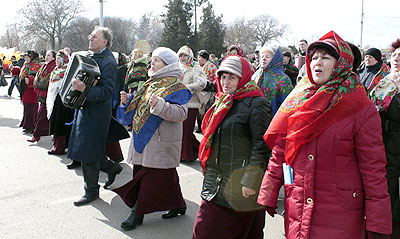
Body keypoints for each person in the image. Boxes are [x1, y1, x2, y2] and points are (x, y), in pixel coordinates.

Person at [257, 31, 392, 238]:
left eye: (325, 57)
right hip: (298, 204)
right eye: (314, 57)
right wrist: (268, 190)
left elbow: (373, 167)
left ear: (341, 64)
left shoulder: (360, 107)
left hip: (340, 213)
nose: (317, 62)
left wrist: (378, 220)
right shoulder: (299, 99)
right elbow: (280, 150)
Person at [192, 55, 272, 239]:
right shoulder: (222, 101)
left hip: (240, 185)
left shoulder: (257, 104)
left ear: (243, 78)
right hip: (216, 180)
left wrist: (251, 180)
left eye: (232, 77)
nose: (226, 82)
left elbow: (262, 146)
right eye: (223, 77)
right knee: (203, 230)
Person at [113, 47, 192, 230]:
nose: (152, 63)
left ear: (167, 64)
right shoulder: (151, 82)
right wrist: (128, 101)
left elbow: (181, 113)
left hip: (161, 140)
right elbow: (141, 103)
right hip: (146, 138)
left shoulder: (177, 86)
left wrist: (161, 105)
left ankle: (137, 212)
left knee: (150, 179)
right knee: (165, 176)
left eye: (156, 60)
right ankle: (178, 203)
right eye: (153, 60)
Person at [68, 26, 123, 206]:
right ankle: (112, 167)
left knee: (87, 151)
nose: (90, 38)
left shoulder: (108, 61)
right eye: (90, 35)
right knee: (85, 149)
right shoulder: (89, 57)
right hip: (84, 108)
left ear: (104, 42)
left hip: (97, 112)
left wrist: (86, 90)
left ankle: (91, 191)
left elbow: (108, 91)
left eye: (94, 36)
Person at [370, 38, 400, 239]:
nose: (397, 59)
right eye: (395, 55)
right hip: (387, 143)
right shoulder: (384, 82)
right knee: (388, 190)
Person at [177, 45, 207, 162]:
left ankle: (188, 155)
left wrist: (185, 88)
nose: (183, 58)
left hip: (191, 104)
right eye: (181, 55)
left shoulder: (195, 67)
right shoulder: (177, 67)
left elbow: (202, 83)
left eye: (185, 55)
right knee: (181, 132)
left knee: (186, 131)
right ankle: (196, 151)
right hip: (178, 104)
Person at [251, 46, 293, 116]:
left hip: (273, 117)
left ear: (275, 59)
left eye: (267, 57)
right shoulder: (256, 74)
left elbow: (287, 104)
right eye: (262, 56)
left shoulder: (283, 79)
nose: (263, 59)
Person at [46, 50, 74, 155]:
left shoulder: (66, 70)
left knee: (61, 125)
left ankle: (59, 147)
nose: (57, 61)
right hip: (55, 100)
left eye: (59, 58)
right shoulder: (56, 70)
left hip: (63, 101)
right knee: (56, 124)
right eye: (56, 58)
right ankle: (57, 145)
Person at [27, 50, 57, 143]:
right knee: (43, 115)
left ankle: (36, 135)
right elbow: (37, 78)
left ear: (53, 57)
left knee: (41, 116)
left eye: (49, 55)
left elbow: (48, 82)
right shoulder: (44, 65)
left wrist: (38, 84)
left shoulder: (53, 67)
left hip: (48, 95)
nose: (46, 57)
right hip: (42, 94)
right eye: (46, 55)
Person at [19, 51, 42, 133]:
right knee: (26, 108)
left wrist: (30, 80)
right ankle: (26, 124)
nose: (26, 59)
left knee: (32, 108)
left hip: (32, 91)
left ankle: (32, 125)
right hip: (25, 90)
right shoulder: (25, 65)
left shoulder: (37, 66)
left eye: (28, 57)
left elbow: (38, 79)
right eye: (26, 57)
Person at [196, 49, 217, 133]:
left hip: (208, 92)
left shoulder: (209, 67)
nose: (198, 59)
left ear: (204, 58)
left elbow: (207, 82)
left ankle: (204, 127)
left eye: (199, 57)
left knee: (205, 110)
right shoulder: (203, 66)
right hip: (203, 91)